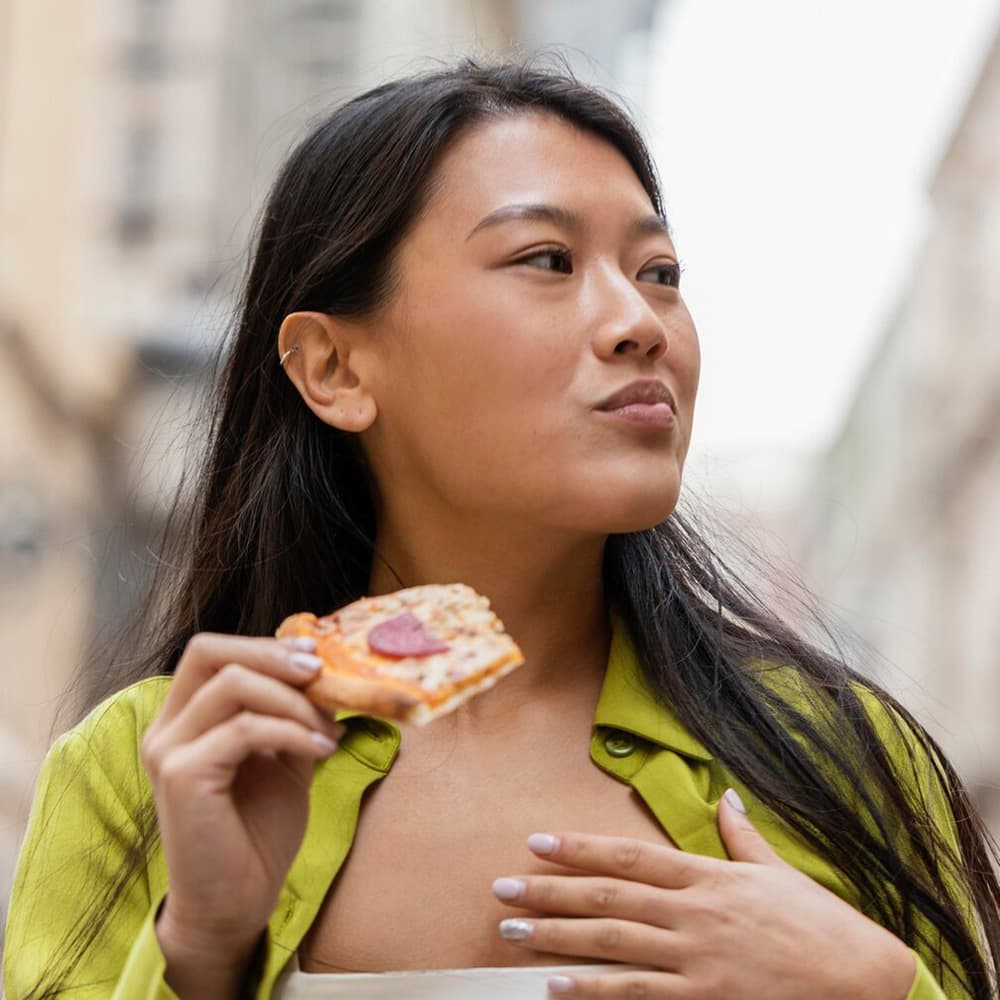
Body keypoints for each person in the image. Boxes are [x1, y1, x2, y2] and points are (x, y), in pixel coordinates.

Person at [4, 59, 999, 1000]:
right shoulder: (152, 769)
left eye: (658, 270)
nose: (638, 320)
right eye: (545, 259)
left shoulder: (836, 752)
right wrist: (199, 947)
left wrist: (878, 987)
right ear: (334, 370)